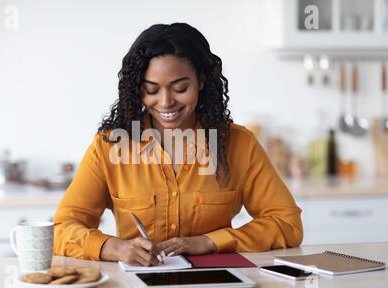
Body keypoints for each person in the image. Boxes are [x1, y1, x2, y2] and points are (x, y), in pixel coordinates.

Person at [53, 23, 303, 266]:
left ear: (202, 80)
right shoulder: (110, 146)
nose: (165, 102)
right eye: (151, 90)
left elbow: (287, 223)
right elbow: (62, 228)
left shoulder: (239, 144)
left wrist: (210, 242)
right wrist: (114, 247)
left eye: (180, 88)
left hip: (219, 287)